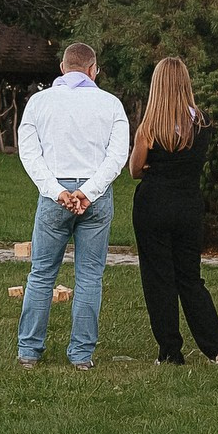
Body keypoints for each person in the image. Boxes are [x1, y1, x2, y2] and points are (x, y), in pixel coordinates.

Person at [14, 42, 131, 370]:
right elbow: (117, 156)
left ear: (63, 68)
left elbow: (29, 153)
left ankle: (29, 351)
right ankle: (81, 355)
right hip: (95, 194)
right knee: (90, 275)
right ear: (94, 70)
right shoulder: (110, 104)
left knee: (41, 273)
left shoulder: (39, 103)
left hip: (55, 192)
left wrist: (55, 191)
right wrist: (90, 191)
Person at [126, 56, 218, 366]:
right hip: (187, 203)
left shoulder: (149, 127)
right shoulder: (203, 123)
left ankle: (170, 351)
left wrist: (151, 165)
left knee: (159, 279)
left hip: (154, 202)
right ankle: (217, 348)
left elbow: (134, 169)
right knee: (190, 278)